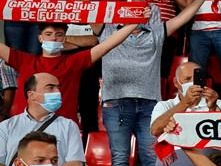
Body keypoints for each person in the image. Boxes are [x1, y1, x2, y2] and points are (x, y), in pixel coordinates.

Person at [100, 0, 205, 166]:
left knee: (151, 158)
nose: (136, 13)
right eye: (130, 10)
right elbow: (87, 10)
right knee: (119, 159)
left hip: (149, 103)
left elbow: (182, 18)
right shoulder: (107, 28)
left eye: (140, 10)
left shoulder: (155, 31)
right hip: (116, 103)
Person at [0, 20, 138, 119]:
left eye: (59, 34)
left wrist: (135, 23)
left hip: (63, 128)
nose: (53, 38)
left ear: (64, 39)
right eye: (48, 34)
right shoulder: (24, 60)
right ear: (40, 38)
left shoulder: (73, 62)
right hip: (24, 127)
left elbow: (107, 45)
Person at [0, 73, 84, 166]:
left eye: (58, 88)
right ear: (31, 95)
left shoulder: (69, 126)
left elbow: (75, 164)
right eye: (50, 87)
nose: (57, 92)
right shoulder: (5, 127)